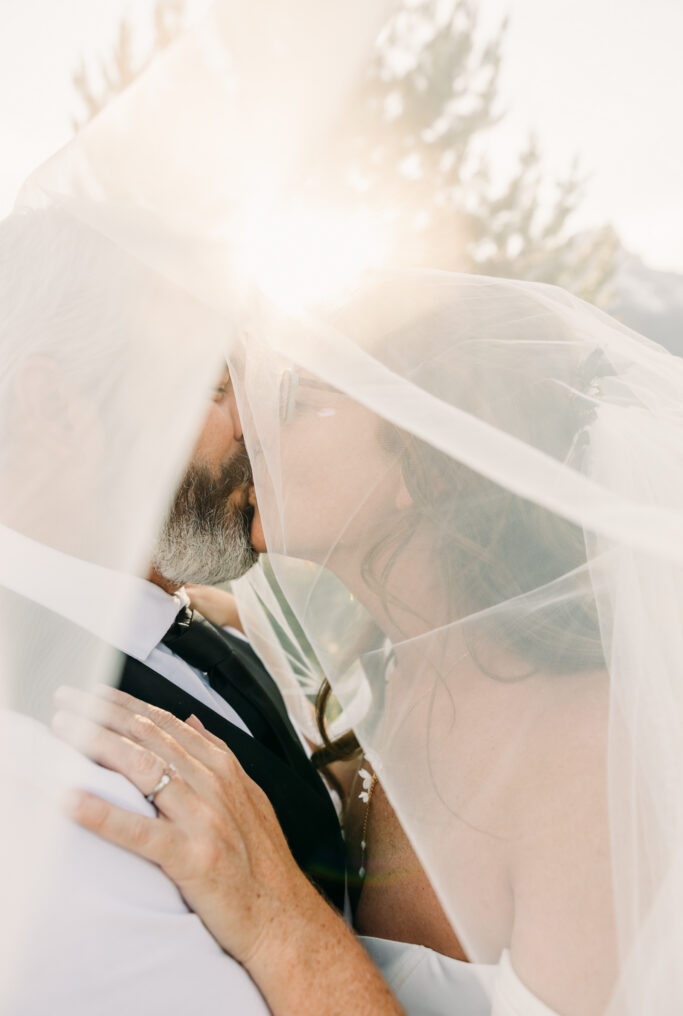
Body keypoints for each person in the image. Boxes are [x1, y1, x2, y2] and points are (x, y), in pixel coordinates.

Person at [55, 269, 683, 1016]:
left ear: (426, 466)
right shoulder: (378, 680)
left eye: (297, 402)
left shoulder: (590, 752)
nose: (249, 427)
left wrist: (281, 922)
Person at [0, 205, 348, 1015]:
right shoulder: (46, 774)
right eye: (214, 383)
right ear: (54, 412)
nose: (256, 426)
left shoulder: (195, 629)